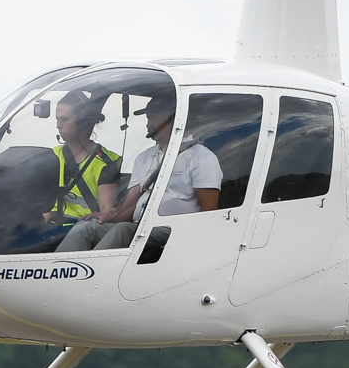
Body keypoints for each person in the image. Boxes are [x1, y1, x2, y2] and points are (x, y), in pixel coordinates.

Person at [57, 93, 221, 252]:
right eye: (148, 118)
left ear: (174, 118)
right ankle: (61, 271)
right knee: (87, 226)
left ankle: (90, 274)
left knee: (123, 230)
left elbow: (208, 213)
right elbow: (129, 205)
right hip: (139, 226)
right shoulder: (144, 158)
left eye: (154, 118)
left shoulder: (201, 157)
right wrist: (109, 216)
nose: (148, 124)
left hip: (173, 231)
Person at [48, 91, 121, 230]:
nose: (58, 125)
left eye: (64, 119)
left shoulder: (105, 162)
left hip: (80, 227)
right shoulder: (52, 155)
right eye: (57, 119)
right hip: (50, 228)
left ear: (82, 122)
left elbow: (106, 210)